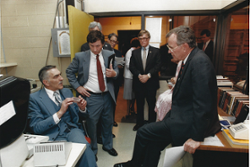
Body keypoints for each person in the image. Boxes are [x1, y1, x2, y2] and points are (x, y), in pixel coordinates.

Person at [114, 25, 221, 167]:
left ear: (184, 46)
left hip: (186, 122)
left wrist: (196, 137)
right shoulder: (190, 59)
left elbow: (203, 103)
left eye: (171, 47)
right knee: (153, 143)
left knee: (143, 132)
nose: (169, 52)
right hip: (180, 115)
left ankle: (134, 164)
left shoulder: (199, 62)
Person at [28, 65, 97, 167]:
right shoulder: (34, 99)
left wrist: (82, 108)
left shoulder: (66, 92)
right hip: (52, 135)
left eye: (60, 75)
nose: (61, 78)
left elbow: (78, 117)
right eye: (56, 76)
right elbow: (37, 127)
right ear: (46, 82)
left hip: (72, 130)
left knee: (85, 148)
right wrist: (60, 112)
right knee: (62, 161)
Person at [66, 30, 119, 157]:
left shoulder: (109, 54)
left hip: (107, 95)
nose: (95, 49)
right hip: (91, 97)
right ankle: (93, 150)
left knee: (108, 122)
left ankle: (108, 146)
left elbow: (116, 70)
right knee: (92, 125)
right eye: (92, 46)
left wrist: (114, 73)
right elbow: (69, 72)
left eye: (98, 46)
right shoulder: (80, 57)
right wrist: (78, 87)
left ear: (102, 44)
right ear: (88, 44)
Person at [129, 30, 161, 131]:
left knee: (152, 104)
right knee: (139, 104)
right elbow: (131, 66)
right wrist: (139, 75)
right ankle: (139, 123)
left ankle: (152, 124)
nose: (143, 40)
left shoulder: (156, 51)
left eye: (145, 38)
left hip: (151, 83)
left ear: (149, 39)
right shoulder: (135, 52)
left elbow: (158, 66)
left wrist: (148, 75)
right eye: (141, 38)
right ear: (138, 40)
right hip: (139, 83)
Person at [107, 33, 123, 127]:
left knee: (114, 101)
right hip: (107, 81)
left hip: (115, 80)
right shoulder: (103, 51)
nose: (113, 43)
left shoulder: (118, 52)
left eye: (115, 41)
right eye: (112, 41)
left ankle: (112, 120)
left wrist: (119, 66)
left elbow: (121, 66)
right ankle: (107, 121)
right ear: (108, 40)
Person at [123, 37, 140, 116]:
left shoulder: (133, 51)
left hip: (133, 77)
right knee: (129, 96)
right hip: (129, 77)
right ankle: (127, 112)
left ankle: (132, 110)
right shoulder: (130, 52)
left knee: (133, 95)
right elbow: (128, 65)